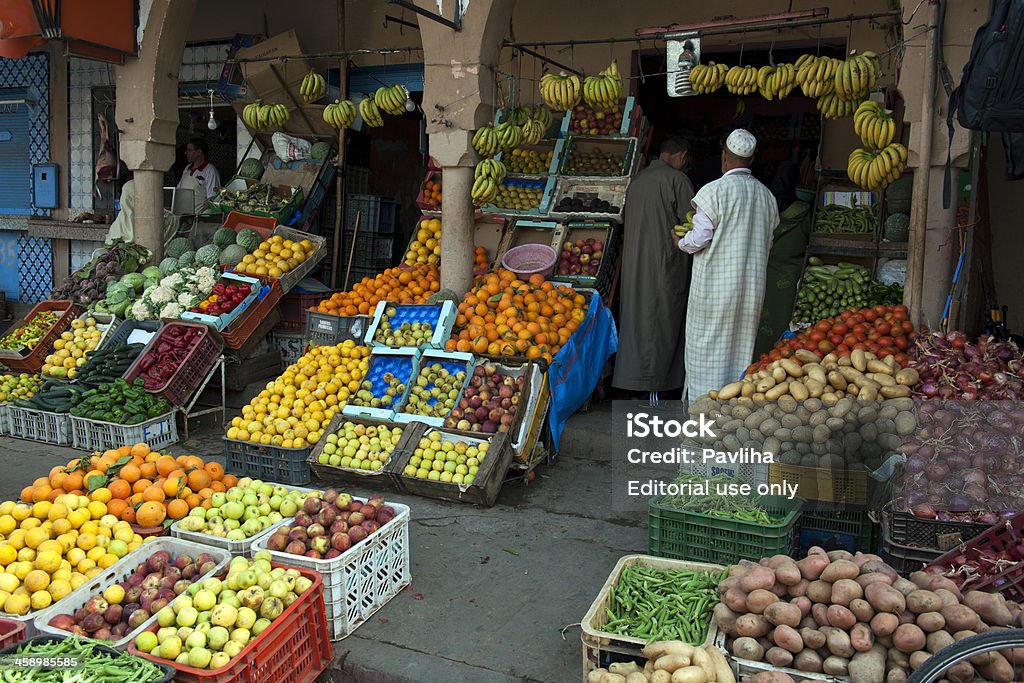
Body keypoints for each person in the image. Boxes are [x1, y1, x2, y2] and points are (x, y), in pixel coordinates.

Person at [679, 129, 780, 399]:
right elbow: (768, 242)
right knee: (739, 347)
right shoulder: (767, 197)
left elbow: (699, 237)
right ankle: (730, 409)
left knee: (706, 349)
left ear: (724, 155)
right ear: (752, 158)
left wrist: (682, 242)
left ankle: (703, 410)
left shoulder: (713, 192)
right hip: (750, 291)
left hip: (714, 291)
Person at [612, 136, 695, 405]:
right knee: (660, 323)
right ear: (682, 156)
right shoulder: (678, 181)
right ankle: (654, 387)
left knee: (637, 321)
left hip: (635, 264)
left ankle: (629, 383)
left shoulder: (637, 180)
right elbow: (693, 226)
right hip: (664, 266)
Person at [753, 161, 813, 357]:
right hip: (790, 274)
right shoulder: (803, 210)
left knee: (761, 320)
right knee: (783, 317)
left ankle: (757, 359)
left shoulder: (764, 207)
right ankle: (780, 358)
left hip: (765, 272)